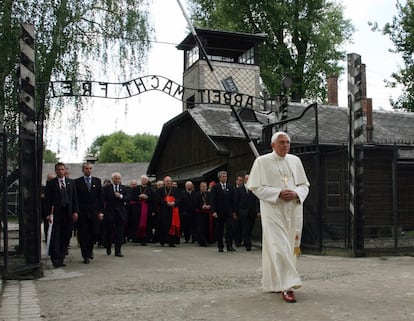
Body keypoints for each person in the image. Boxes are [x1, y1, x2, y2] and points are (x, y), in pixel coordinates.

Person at [247, 132, 310, 303]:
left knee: (289, 247)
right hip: (273, 209)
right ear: (273, 145)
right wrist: (277, 193)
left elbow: (304, 185)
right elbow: (255, 187)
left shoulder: (295, 161)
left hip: (293, 210)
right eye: (282, 142)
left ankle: (276, 283)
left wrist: (296, 192)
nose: (286, 145)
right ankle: (288, 286)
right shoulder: (261, 161)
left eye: (288, 142)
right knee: (278, 245)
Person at [44, 162, 79, 268]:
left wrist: (75, 211)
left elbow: (75, 198)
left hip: (68, 213)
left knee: (66, 235)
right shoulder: (51, 183)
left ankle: (62, 257)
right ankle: (55, 258)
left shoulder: (71, 183)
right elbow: (47, 200)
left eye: (62, 169)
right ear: (56, 171)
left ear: (65, 170)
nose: (60, 171)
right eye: (58, 170)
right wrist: (47, 214)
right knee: (56, 236)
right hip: (56, 213)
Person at [74, 162, 104, 264]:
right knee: (83, 234)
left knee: (94, 232)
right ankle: (85, 255)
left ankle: (90, 249)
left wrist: (100, 211)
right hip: (82, 212)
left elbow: (100, 198)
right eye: (86, 168)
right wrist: (76, 211)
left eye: (90, 168)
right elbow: (76, 199)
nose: (88, 170)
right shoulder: (77, 182)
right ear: (83, 170)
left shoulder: (97, 181)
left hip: (94, 212)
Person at [102, 172, 129, 257]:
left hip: (120, 213)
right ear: (112, 179)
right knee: (109, 231)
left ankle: (118, 251)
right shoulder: (107, 188)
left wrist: (120, 196)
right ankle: (108, 247)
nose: (117, 180)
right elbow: (103, 200)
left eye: (118, 178)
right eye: (115, 178)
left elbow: (128, 198)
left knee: (119, 233)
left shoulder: (123, 188)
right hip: (110, 212)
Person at [210, 171, 237, 252]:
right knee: (219, 229)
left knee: (230, 228)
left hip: (229, 212)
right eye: (223, 176)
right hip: (219, 212)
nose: (224, 178)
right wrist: (213, 211)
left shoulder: (230, 187)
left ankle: (229, 245)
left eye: (225, 176)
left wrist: (234, 211)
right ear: (219, 178)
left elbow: (233, 200)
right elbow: (212, 200)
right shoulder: (215, 187)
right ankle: (220, 246)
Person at [234, 174, 260, 251]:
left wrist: (257, 211)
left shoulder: (253, 190)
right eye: (246, 179)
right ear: (244, 180)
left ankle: (246, 241)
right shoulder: (239, 190)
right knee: (246, 228)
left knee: (250, 228)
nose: (248, 180)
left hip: (252, 212)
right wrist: (236, 212)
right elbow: (236, 201)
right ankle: (248, 244)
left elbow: (256, 201)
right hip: (243, 212)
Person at [155, 176, 181, 247]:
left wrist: (174, 202)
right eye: (167, 181)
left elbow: (179, 198)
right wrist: (166, 203)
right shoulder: (160, 190)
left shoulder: (175, 190)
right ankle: (162, 241)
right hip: (163, 210)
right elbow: (158, 199)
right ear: (164, 182)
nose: (168, 183)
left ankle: (171, 242)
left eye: (169, 181)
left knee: (172, 226)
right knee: (163, 226)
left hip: (172, 210)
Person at [134, 175, 154, 245]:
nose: (144, 181)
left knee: (147, 224)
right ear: (141, 180)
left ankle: (145, 239)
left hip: (147, 208)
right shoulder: (136, 188)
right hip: (138, 209)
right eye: (143, 179)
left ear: (147, 181)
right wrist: (139, 197)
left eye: (145, 179)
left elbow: (153, 199)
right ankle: (137, 238)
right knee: (137, 223)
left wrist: (147, 197)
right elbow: (132, 197)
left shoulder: (150, 189)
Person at [195, 181, 211, 247]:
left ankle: (207, 239)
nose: (204, 188)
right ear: (200, 187)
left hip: (208, 213)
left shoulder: (209, 194)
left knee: (207, 227)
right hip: (200, 213)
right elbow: (195, 203)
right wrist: (201, 206)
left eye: (205, 186)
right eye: (203, 187)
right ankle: (202, 241)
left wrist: (209, 206)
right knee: (201, 227)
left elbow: (212, 201)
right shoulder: (197, 194)